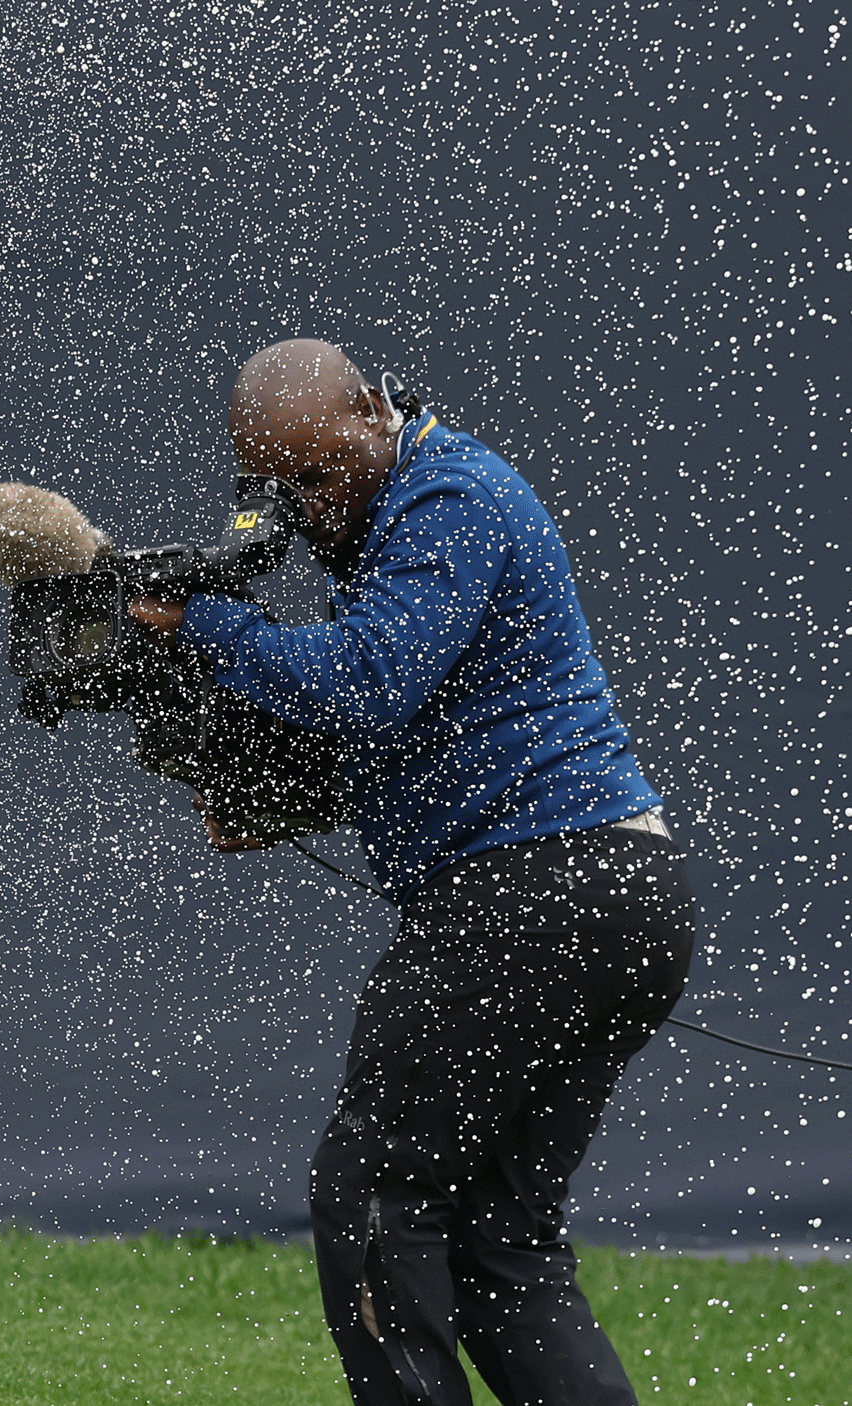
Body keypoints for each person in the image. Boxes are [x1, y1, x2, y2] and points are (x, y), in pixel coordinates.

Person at [134, 339, 694, 1406]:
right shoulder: (413, 502)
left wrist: (198, 620)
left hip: (533, 895)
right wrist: (295, 796)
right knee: (499, 1244)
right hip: (614, 892)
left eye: (320, 469)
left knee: (371, 1197)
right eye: (277, 485)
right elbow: (451, 714)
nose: (303, 502)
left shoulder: (448, 492)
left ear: (375, 411)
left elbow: (369, 677)